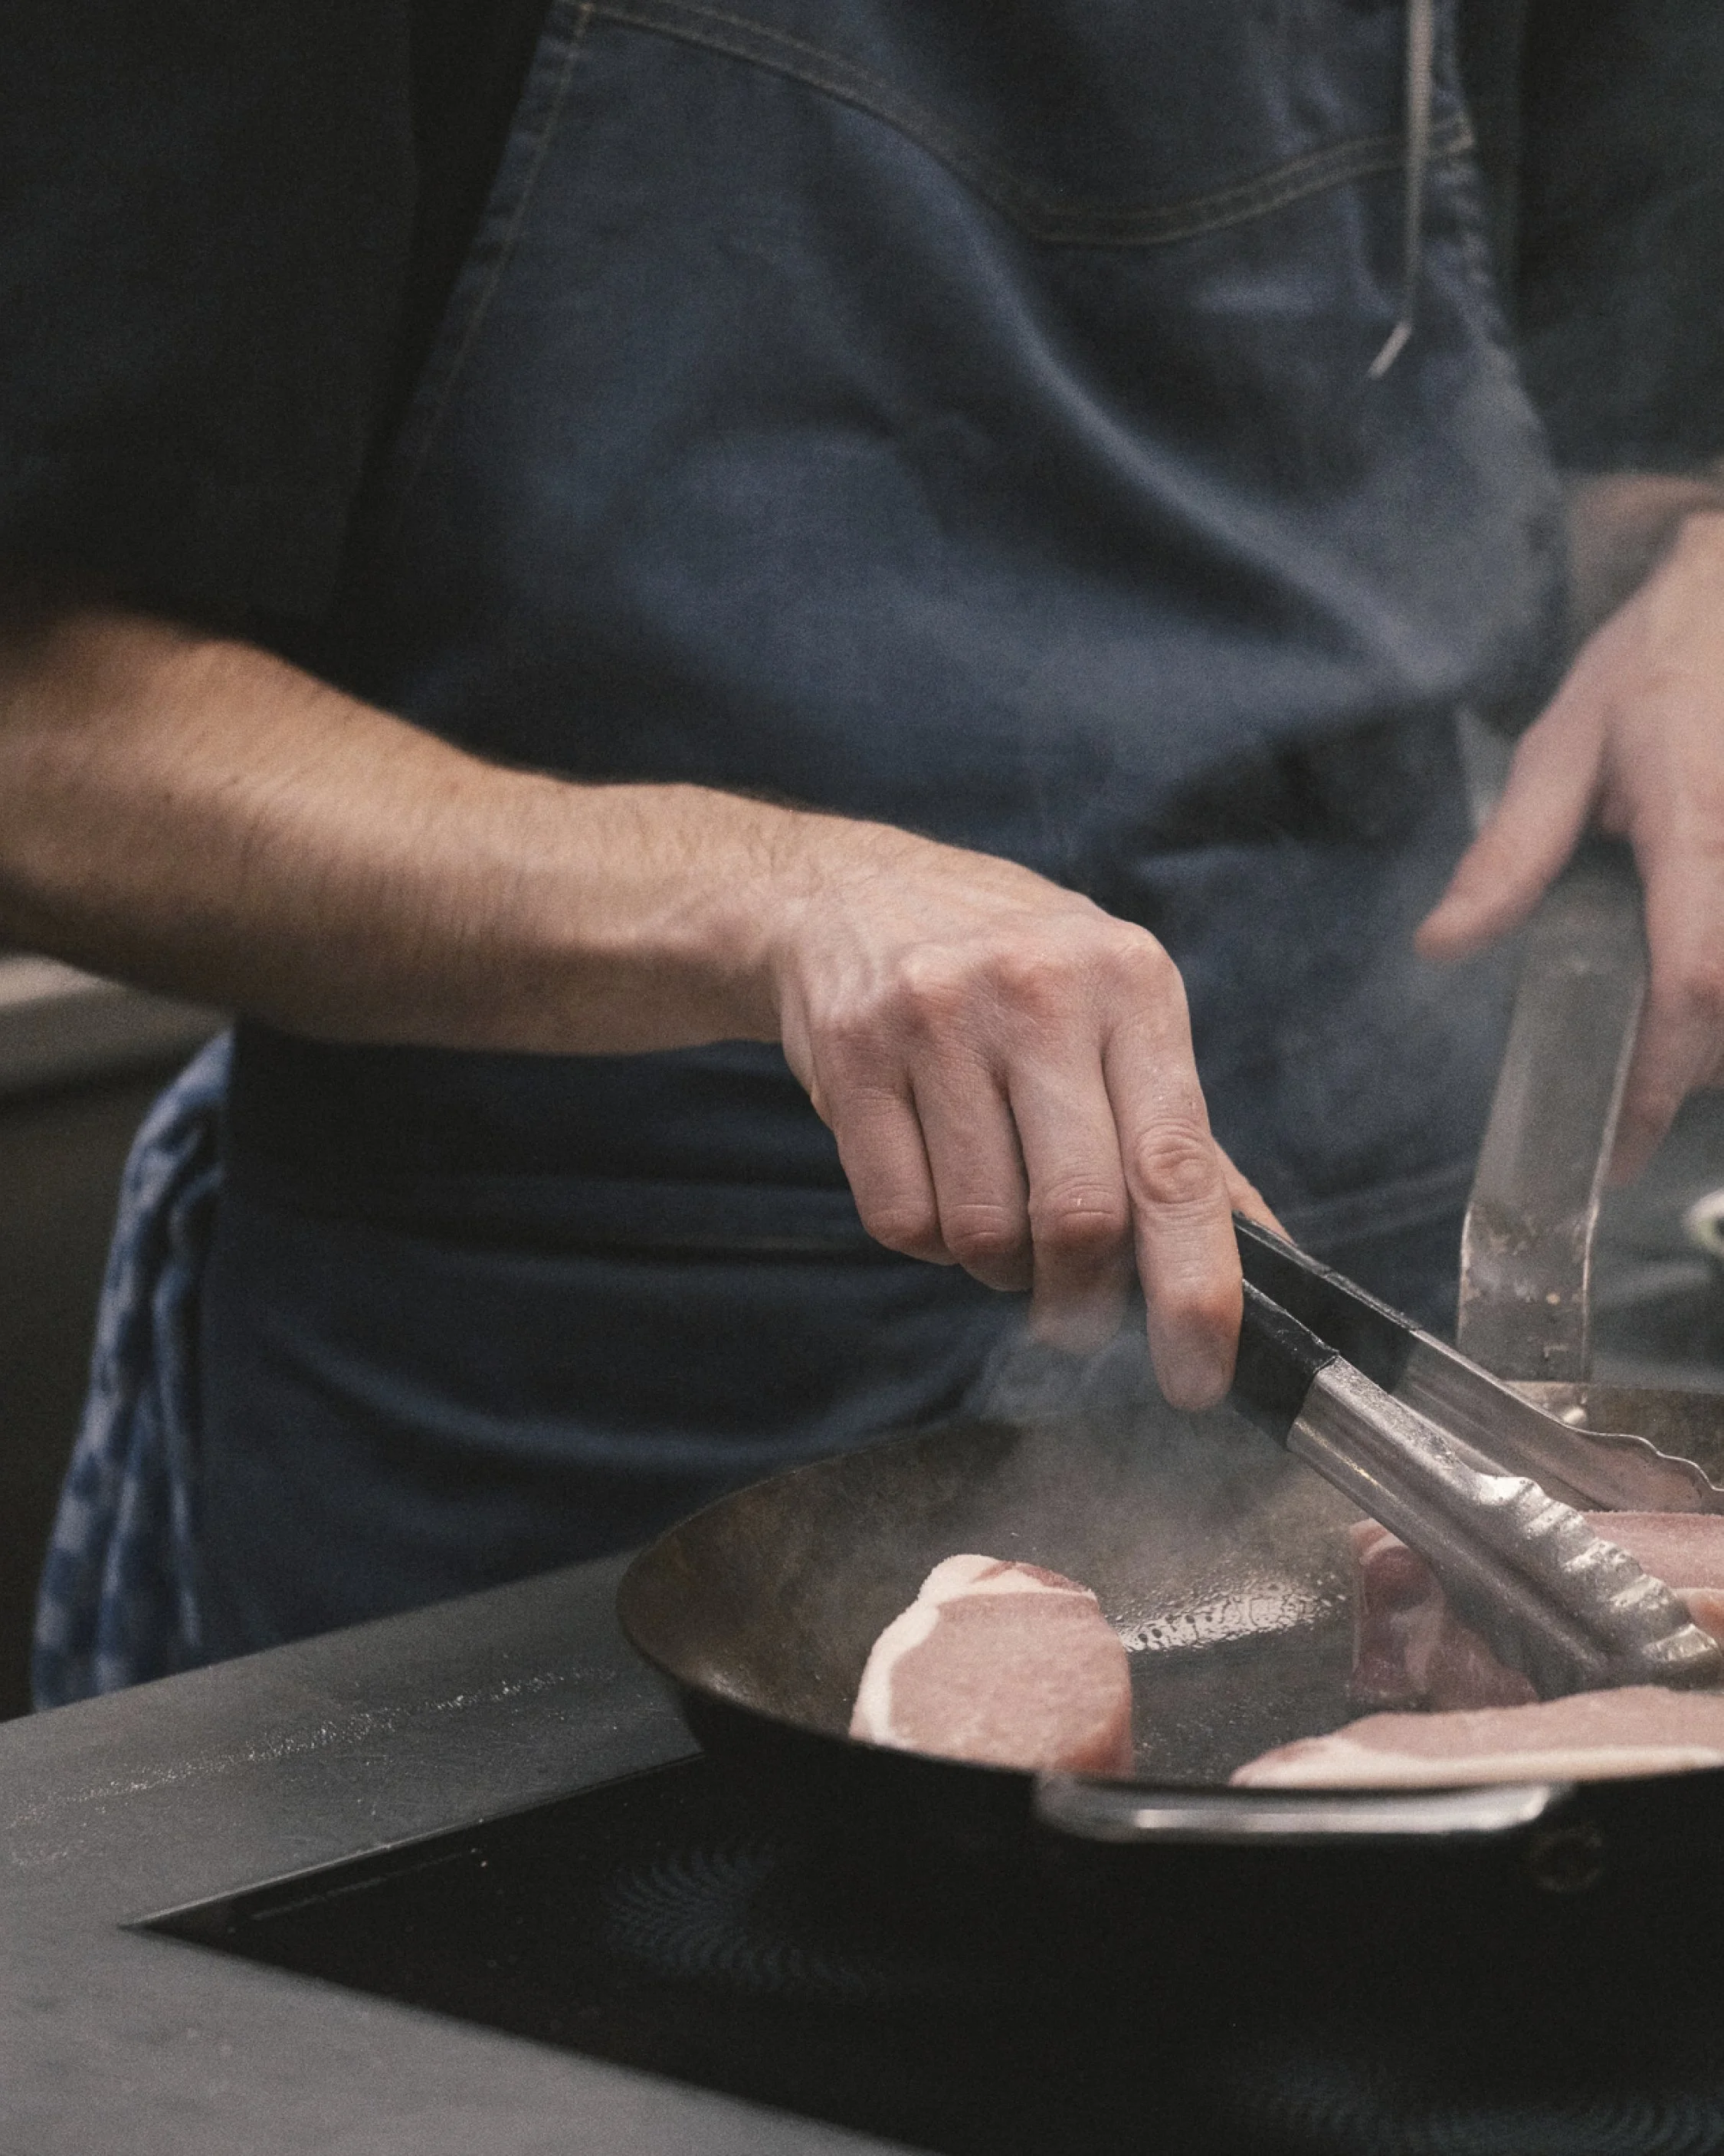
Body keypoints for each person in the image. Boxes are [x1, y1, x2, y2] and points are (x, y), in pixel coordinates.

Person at [5, 0, 1724, 1694]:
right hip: (567, 1422)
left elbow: (1555, 453)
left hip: (1371, 1371)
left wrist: (1686, 571)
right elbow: (46, 727)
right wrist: (777, 897)